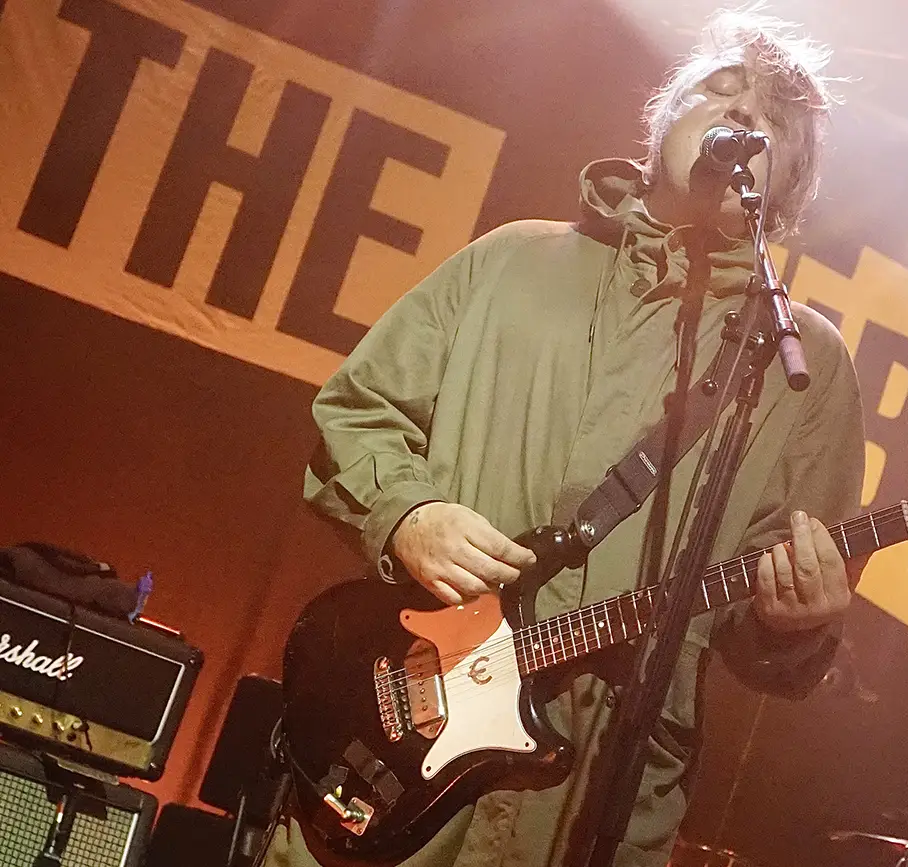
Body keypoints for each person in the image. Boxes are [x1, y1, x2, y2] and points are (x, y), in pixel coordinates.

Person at [267, 6, 866, 867]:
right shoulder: (512, 260)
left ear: (787, 189)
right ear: (665, 118)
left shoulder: (805, 362)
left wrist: (791, 623)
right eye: (720, 92)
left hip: (593, 802)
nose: (741, 119)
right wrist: (406, 514)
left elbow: (759, 625)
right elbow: (355, 412)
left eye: (772, 122)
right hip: (410, 740)